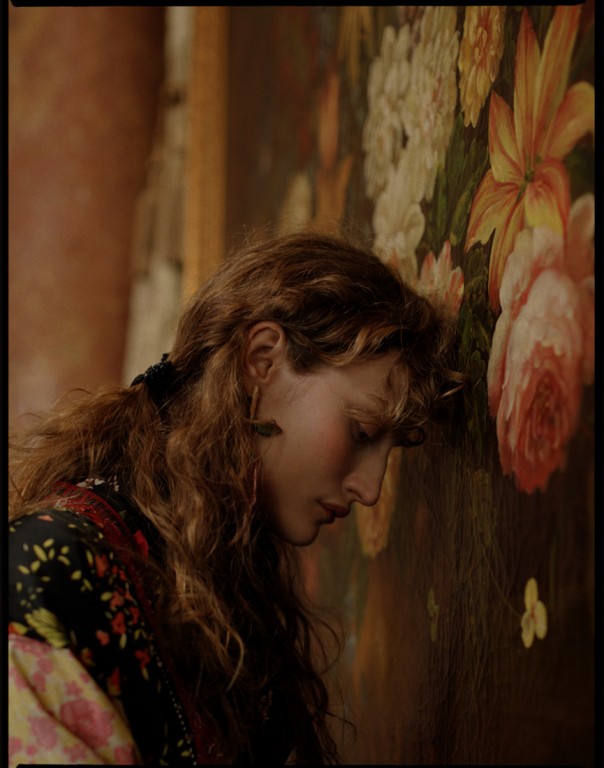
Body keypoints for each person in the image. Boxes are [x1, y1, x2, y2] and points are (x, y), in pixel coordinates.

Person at [8, 231, 462, 765]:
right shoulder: (47, 563)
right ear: (262, 359)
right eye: (361, 431)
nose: (371, 488)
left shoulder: (222, 593)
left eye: (390, 449)